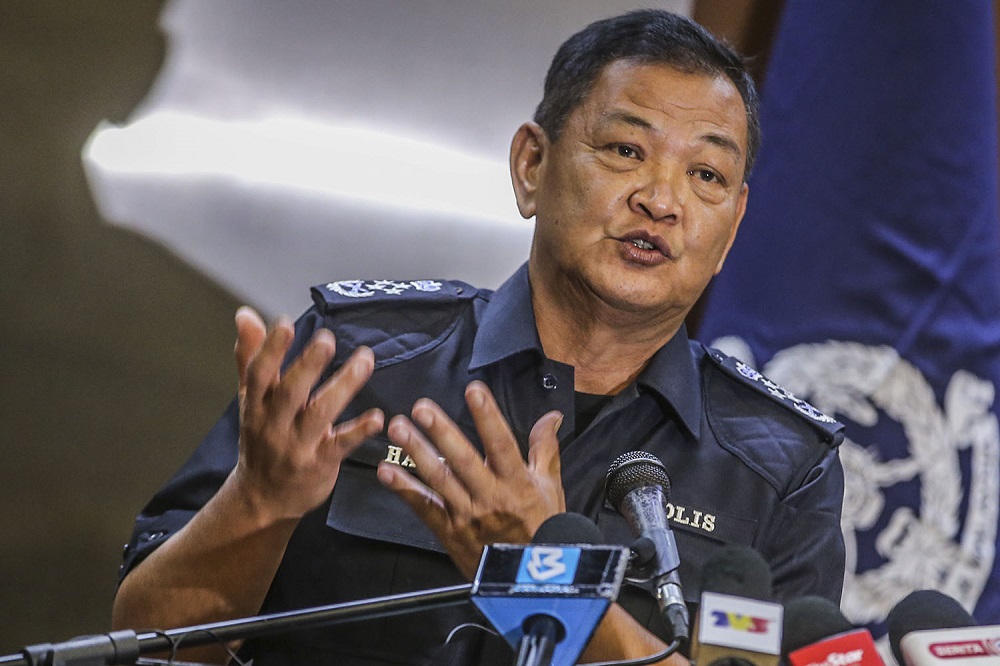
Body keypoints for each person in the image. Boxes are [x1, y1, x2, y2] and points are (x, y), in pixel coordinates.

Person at [112, 9, 846, 665]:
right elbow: (150, 635)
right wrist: (257, 505)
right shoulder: (355, 365)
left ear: (733, 227)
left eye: (707, 175)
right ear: (532, 165)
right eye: (627, 150)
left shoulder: (779, 468)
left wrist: (543, 586)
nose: (660, 200)